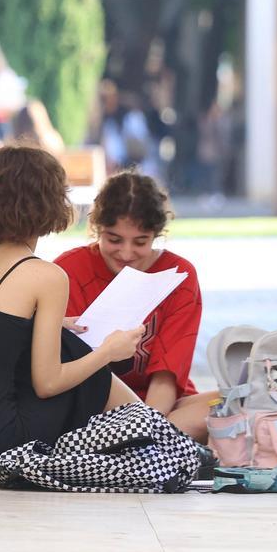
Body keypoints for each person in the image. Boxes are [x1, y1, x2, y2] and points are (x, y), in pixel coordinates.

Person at [0, 146, 147, 487]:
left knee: (62, 338)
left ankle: (148, 431)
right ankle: (150, 435)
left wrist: (45, 327)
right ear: (50, 202)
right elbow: (48, 384)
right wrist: (108, 352)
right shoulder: (46, 276)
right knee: (77, 352)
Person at [52, 171, 216, 439]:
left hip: (161, 408)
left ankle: (135, 444)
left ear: (157, 234)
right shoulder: (69, 269)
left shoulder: (180, 274)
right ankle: (149, 445)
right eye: (113, 240)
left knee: (228, 406)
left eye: (141, 242)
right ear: (96, 229)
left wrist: (144, 427)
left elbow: (166, 377)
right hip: (90, 407)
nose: (126, 253)